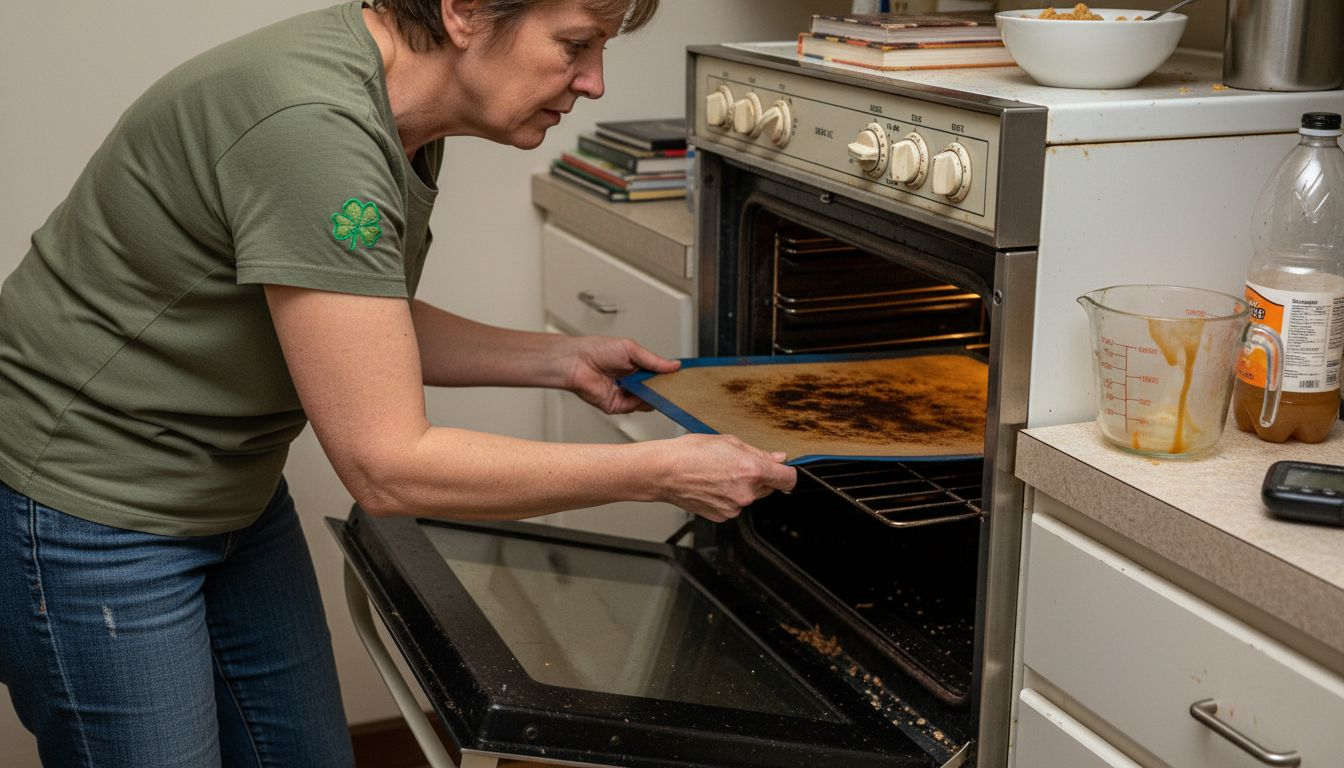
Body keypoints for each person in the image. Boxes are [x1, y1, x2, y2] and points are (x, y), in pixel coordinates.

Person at [0, 1, 797, 765]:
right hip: (87, 504)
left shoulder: (399, 108)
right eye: (575, 44)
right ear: (465, 11)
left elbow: (347, 318)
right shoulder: (316, 126)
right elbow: (387, 465)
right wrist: (660, 474)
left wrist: (560, 361)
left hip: (225, 483)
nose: (593, 83)